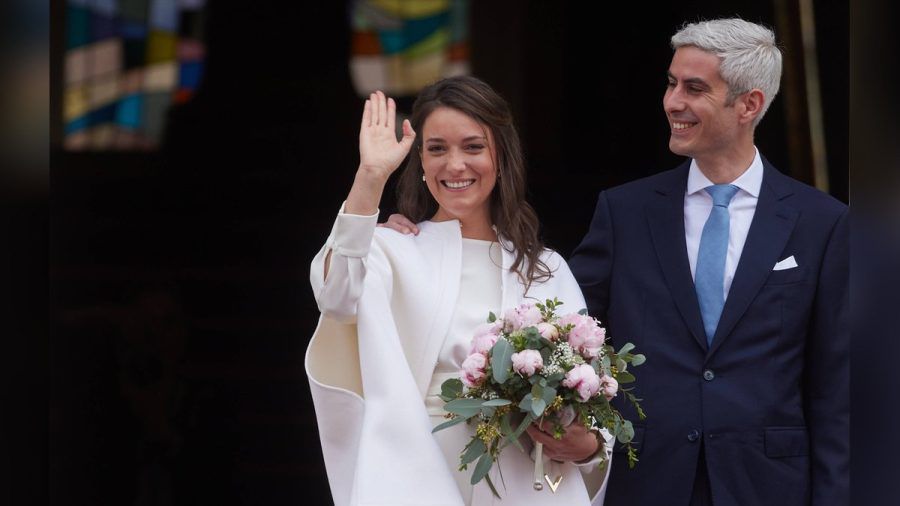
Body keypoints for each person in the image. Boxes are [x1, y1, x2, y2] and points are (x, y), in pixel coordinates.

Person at [386, 18, 848, 506]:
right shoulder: (625, 212)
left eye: (694, 88)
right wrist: (430, 240)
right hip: (646, 481)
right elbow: (547, 322)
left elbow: (837, 391)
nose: (672, 102)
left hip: (770, 486)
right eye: (671, 84)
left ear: (749, 104)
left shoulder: (822, 223)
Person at [306, 76, 611, 506]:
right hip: (416, 463)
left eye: (472, 147)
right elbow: (334, 296)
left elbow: (592, 393)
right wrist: (371, 177)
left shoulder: (545, 269)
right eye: (437, 149)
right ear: (420, 160)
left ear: (500, 157)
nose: (454, 165)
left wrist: (591, 446)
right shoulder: (390, 248)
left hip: (523, 474)